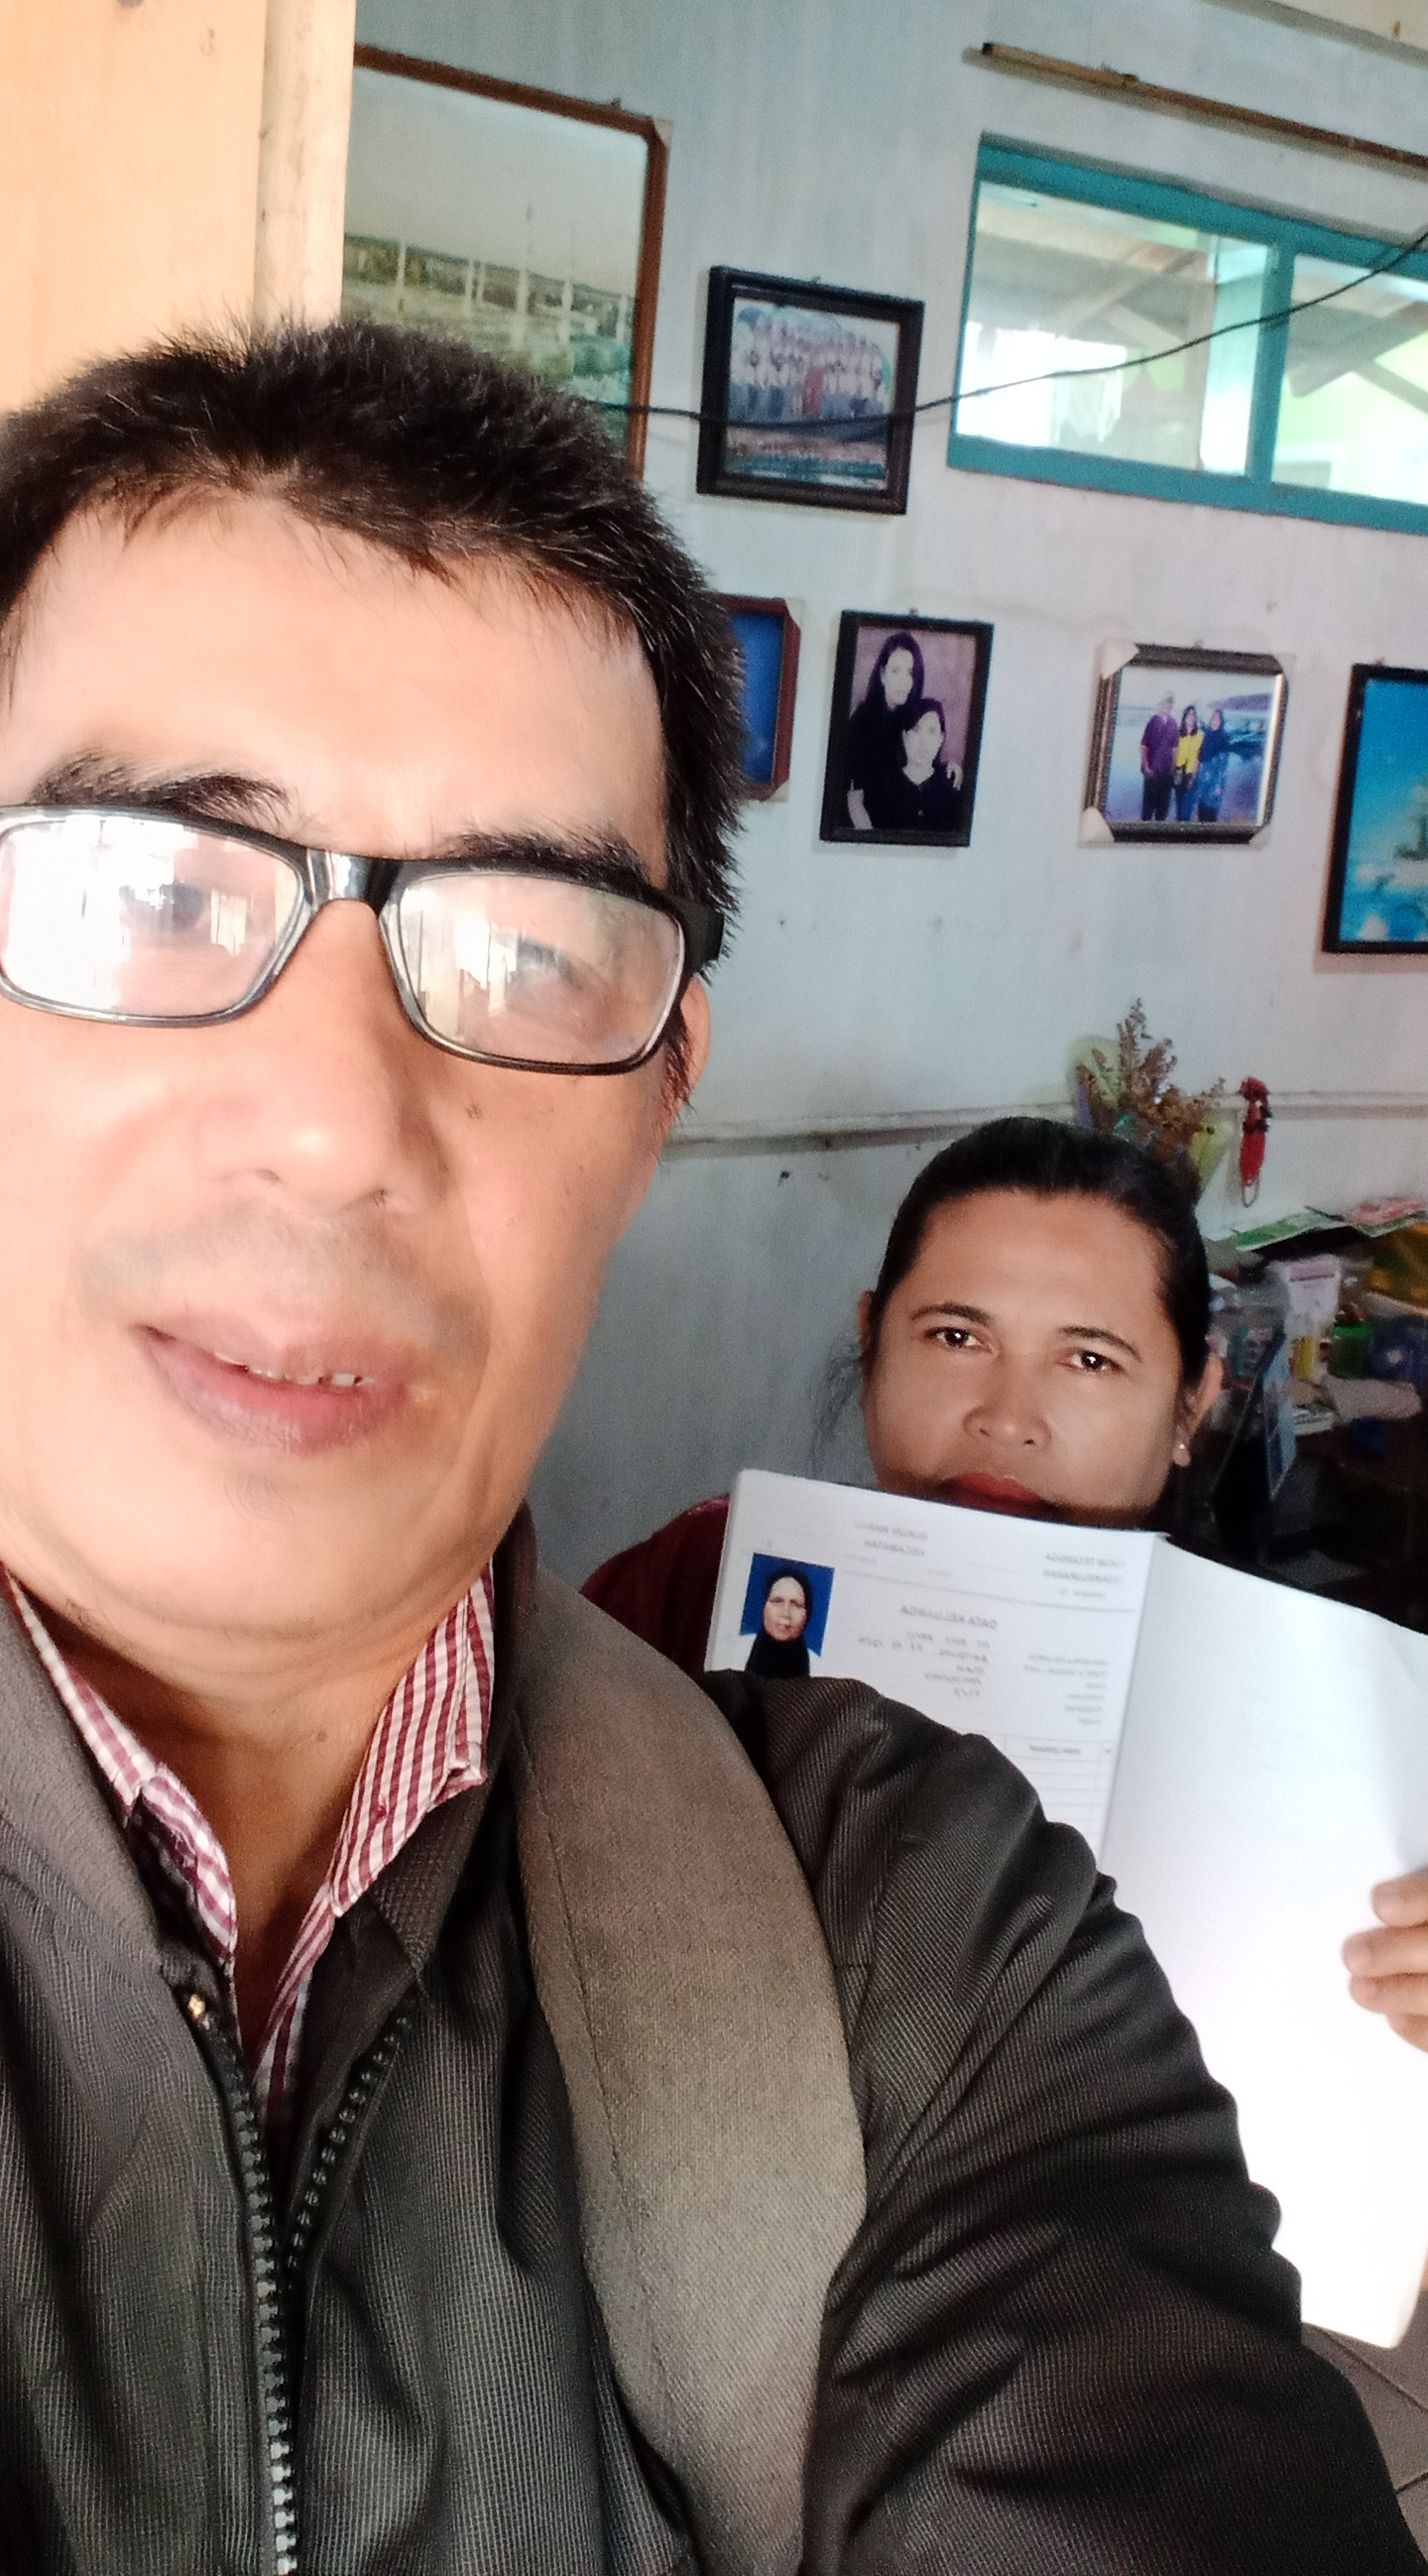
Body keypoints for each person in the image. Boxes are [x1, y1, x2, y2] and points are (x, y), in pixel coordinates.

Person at [0, 330, 1414, 2576]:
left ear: (661, 1097)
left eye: (531, 951)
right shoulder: (701, 1575)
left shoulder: (913, 1925)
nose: (335, 1119)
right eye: (150, 890)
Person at [587, 1118, 1428, 2061]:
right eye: (956, 1336)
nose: (1008, 1420)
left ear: (1191, 1403)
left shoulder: (1331, 1715)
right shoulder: (699, 1578)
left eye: (1090, 1359)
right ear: (871, 1345)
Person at [844, 626, 922, 829]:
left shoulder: (911, 719)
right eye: (895, 671)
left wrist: (949, 768)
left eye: (910, 672)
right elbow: (853, 799)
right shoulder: (862, 722)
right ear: (882, 674)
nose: (904, 681)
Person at [862, 695, 964, 833]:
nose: (923, 742)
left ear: (941, 738)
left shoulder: (952, 787)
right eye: (916, 730)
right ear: (904, 736)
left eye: (931, 731)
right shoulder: (882, 786)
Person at [744, 1562, 814, 1674]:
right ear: (764, 1607)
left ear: (807, 1615)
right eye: (777, 1601)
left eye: (796, 1604)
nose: (785, 1613)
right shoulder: (737, 1651)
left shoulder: (819, 1669)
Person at [1139, 690, 1178, 819]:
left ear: (1172, 705)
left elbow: (1175, 748)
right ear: (1160, 704)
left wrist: (1173, 769)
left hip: (1167, 773)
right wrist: (1146, 767)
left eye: (1169, 703)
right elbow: (1144, 746)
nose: (1167, 705)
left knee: (1162, 810)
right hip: (1152, 772)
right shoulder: (1152, 722)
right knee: (1147, 810)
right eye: (1164, 703)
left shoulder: (1174, 723)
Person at [1197, 703, 1234, 823]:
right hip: (1203, 780)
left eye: (1218, 719)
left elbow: (1223, 767)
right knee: (1201, 810)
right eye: (1213, 718)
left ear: (1221, 722)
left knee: (1211, 813)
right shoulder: (1206, 736)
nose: (1215, 721)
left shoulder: (1223, 739)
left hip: (1214, 782)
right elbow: (1200, 757)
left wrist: (1218, 785)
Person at [1174, 701, 1205, 820]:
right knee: (1179, 804)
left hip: (1192, 773)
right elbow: (1173, 752)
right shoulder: (1178, 733)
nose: (1191, 717)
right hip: (1178, 773)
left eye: (1193, 715)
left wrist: (1194, 775)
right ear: (1184, 717)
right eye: (1189, 715)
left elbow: (1199, 756)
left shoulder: (1200, 734)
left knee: (1187, 808)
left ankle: (1184, 825)